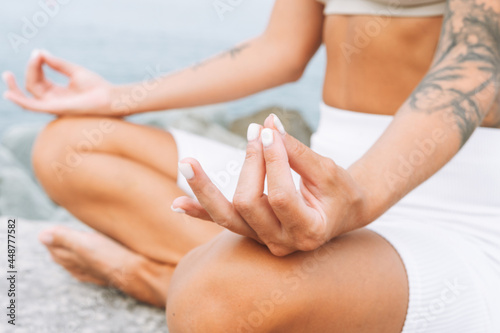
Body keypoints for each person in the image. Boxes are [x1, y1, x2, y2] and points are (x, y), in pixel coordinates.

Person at [3, 0, 500, 331]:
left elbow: (478, 55)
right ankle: (276, 290)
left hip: (451, 213)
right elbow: (279, 50)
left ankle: (158, 279)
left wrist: (358, 197)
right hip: (326, 184)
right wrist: (116, 97)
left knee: (216, 299)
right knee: (68, 147)